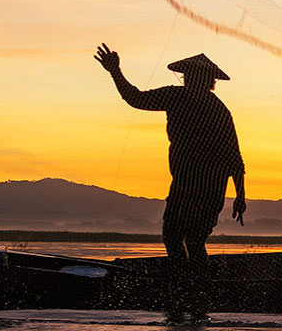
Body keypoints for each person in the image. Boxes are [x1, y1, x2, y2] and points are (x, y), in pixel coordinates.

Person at [93, 43, 245, 323]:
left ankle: (186, 290)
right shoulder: (214, 107)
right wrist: (239, 194)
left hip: (192, 183)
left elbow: (233, 154)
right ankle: (194, 293)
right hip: (209, 185)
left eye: (193, 76)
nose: (190, 80)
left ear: (204, 80)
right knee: (193, 240)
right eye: (189, 76)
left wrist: (115, 72)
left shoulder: (183, 99)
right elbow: (234, 156)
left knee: (176, 236)